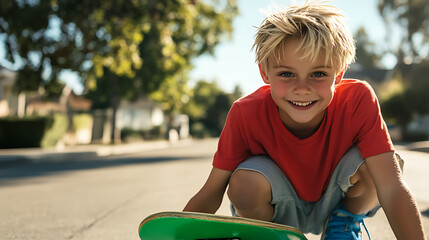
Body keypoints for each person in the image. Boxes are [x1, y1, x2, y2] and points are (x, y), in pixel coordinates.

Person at [183, 1, 426, 239]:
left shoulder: (358, 100)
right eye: (286, 74)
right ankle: (270, 234)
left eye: (318, 74)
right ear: (265, 72)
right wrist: (178, 232)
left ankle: (341, 225)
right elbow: (211, 192)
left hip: (338, 201)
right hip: (276, 209)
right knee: (244, 183)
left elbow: (392, 188)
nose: (302, 88)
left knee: (383, 166)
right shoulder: (244, 113)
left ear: (339, 73)